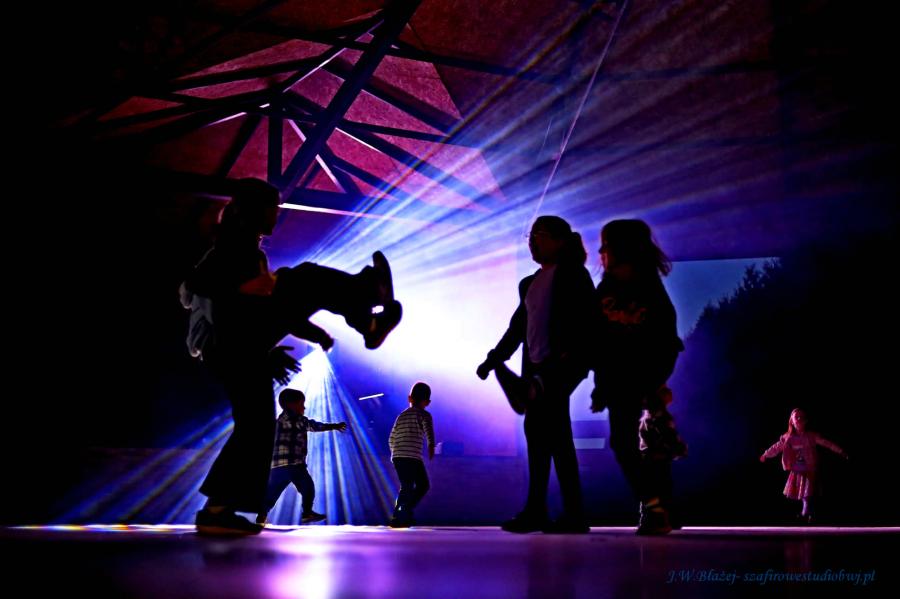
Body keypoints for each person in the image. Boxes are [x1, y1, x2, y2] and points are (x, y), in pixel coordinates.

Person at [182, 177, 401, 535]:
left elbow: (277, 311)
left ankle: (216, 511)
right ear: (253, 212)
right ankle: (366, 302)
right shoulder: (233, 248)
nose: (276, 216)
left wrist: (311, 335)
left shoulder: (249, 251)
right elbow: (201, 286)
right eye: (272, 209)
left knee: (256, 427)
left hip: (241, 347)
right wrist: (243, 289)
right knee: (305, 278)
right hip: (232, 344)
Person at [476, 215, 594, 534]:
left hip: (561, 367)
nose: (532, 241)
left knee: (553, 435)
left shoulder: (574, 275)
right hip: (536, 368)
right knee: (543, 435)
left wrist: (573, 353)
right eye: (531, 235)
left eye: (539, 235)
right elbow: (517, 328)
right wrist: (493, 359)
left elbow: (587, 320)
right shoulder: (529, 283)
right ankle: (544, 511)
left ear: (559, 240)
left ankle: (565, 513)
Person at [591, 219, 684, 535]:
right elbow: (598, 342)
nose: (600, 252)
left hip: (640, 377)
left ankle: (656, 508)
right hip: (618, 379)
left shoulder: (649, 290)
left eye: (606, 246)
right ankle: (654, 506)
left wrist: (651, 382)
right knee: (623, 444)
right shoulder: (605, 290)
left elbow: (667, 342)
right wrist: (601, 385)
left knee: (635, 444)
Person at [256, 389, 347, 526]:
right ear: (292, 405)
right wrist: (334, 426)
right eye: (301, 404)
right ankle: (307, 512)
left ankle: (261, 517)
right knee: (308, 487)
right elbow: (315, 426)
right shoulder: (299, 419)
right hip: (295, 464)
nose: (304, 408)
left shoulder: (277, 422)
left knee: (271, 494)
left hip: (276, 466)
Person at [760, 408, 848, 523]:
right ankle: (807, 513)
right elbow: (776, 447)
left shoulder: (811, 436)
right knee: (804, 493)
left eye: (801, 417)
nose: (799, 419)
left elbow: (827, 443)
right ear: (792, 421)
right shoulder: (787, 438)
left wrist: (840, 451)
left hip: (810, 467)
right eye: (796, 417)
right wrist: (766, 454)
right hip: (797, 469)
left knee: (808, 492)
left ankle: (807, 513)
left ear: (805, 421)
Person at [388, 382, 435, 528]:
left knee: (407, 486)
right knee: (422, 485)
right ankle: (400, 515)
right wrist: (431, 446)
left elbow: (391, 437)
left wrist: (395, 453)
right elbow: (429, 432)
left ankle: (403, 512)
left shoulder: (401, 416)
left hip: (398, 456)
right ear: (427, 402)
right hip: (412, 457)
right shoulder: (425, 415)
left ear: (409, 398)